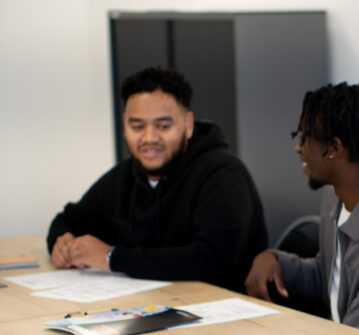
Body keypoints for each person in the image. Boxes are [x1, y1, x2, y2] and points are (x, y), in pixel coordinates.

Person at [47, 66, 268, 293]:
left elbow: (210, 260)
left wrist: (112, 258)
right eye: (137, 126)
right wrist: (62, 242)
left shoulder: (222, 174)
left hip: (226, 313)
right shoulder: (124, 176)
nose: (149, 138)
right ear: (124, 125)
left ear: (188, 124)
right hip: (151, 305)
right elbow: (69, 219)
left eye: (163, 126)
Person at [244, 83, 359, 334]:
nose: (298, 148)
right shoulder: (334, 195)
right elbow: (327, 279)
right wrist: (273, 258)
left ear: (334, 148)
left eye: (304, 138)